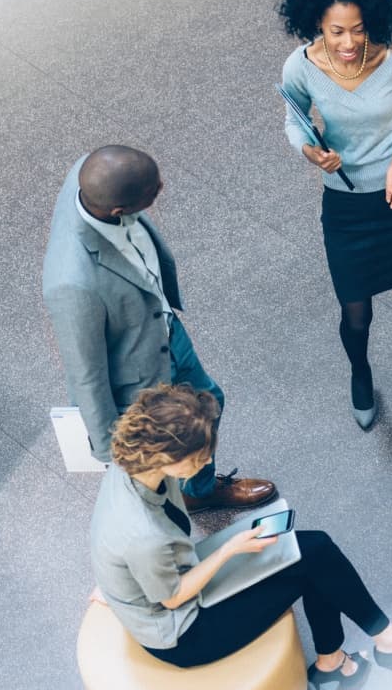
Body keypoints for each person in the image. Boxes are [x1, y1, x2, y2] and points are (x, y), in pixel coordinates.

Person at [90, 384, 392, 690]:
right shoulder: (142, 535)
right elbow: (172, 597)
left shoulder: (133, 466)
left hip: (173, 577)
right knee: (311, 564)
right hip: (185, 633)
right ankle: (377, 647)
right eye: (198, 458)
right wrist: (229, 550)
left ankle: (355, 651)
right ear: (167, 456)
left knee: (313, 549)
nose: (204, 465)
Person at [43, 146, 274, 511]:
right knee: (170, 451)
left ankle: (198, 490)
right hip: (139, 378)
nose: (162, 188)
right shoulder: (72, 284)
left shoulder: (91, 174)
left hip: (165, 329)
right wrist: (112, 452)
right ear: (118, 210)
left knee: (211, 403)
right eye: (153, 192)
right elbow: (85, 374)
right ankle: (181, 501)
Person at [278, 0, 392, 430]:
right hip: (345, 206)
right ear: (316, 26)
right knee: (355, 310)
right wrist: (311, 152)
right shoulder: (300, 68)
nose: (348, 42)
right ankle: (360, 371)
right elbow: (295, 122)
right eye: (336, 31)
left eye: (358, 28)